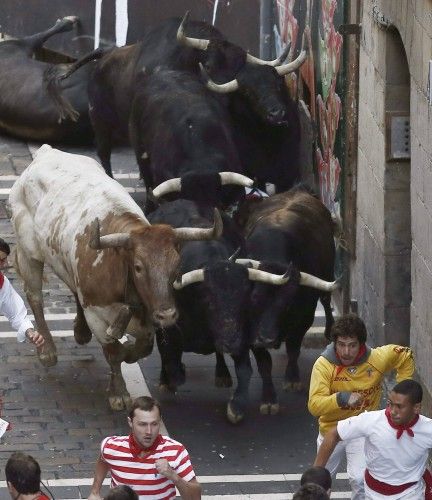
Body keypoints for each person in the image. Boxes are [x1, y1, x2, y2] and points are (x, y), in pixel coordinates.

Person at [308, 313, 415, 499]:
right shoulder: (323, 365)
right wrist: (341, 398)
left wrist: (401, 393)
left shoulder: (377, 358)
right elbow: (314, 406)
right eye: (341, 344)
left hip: (362, 430)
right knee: (317, 483)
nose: (346, 352)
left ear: (362, 344)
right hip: (331, 431)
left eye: (352, 345)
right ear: (334, 343)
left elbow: (405, 355)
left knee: (360, 481)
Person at [314, 379, 432, 499]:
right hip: (373, 494)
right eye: (390, 404)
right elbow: (334, 434)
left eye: (399, 407)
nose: (392, 411)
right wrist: (315, 476)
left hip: (411, 494)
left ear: (416, 408)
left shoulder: (428, 429)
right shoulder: (371, 420)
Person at [88, 396, 201, 500]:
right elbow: (103, 459)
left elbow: (196, 498)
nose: (149, 431)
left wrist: (174, 476)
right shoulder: (112, 446)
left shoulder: (175, 451)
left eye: (154, 424)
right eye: (142, 424)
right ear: (130, 422)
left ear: (160, 421)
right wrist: (95, 492)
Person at [0, 238, 44, 347]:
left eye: (4, 260)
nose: (5, 264)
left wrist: (30, 333)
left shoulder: (2, 284)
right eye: (1, 260)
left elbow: (16, 314)